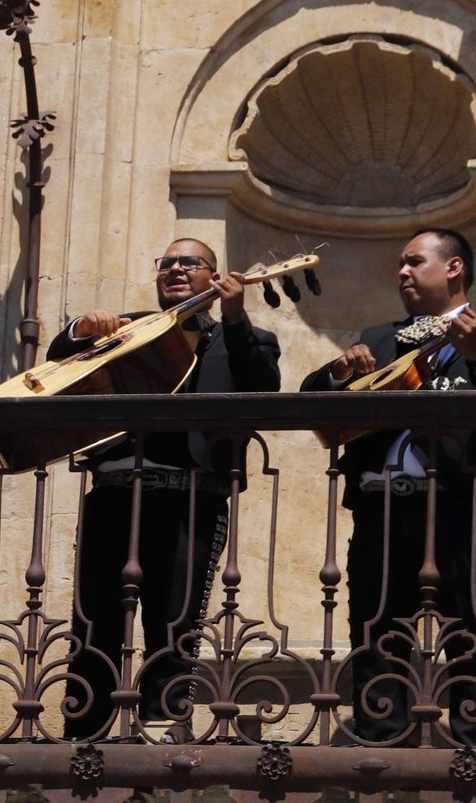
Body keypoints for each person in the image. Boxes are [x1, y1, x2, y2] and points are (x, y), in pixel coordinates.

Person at [300, 227, 476, 745]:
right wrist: (340, 371)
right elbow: (309, 396)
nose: (402, 272)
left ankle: (473, 749)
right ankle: (379, 743)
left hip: (462, 506)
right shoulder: (382, 337)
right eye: (400, 264)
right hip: (383, 506)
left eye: (414, 261)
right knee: (377, 634)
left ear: (453, 268)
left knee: (470, 634)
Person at [50, 238, 280, 740]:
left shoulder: (246, 337)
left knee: (175, 626)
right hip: (113, 491)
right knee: (94, 622)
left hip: (190, 497)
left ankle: (164, 730)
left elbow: (262, 386)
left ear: (214, 277)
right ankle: (82, 734)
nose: (175, 269)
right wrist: (81, 328)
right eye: (167, 263)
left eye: (189, 263)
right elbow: (57, 359)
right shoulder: (128, 330)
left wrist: (236, 315)